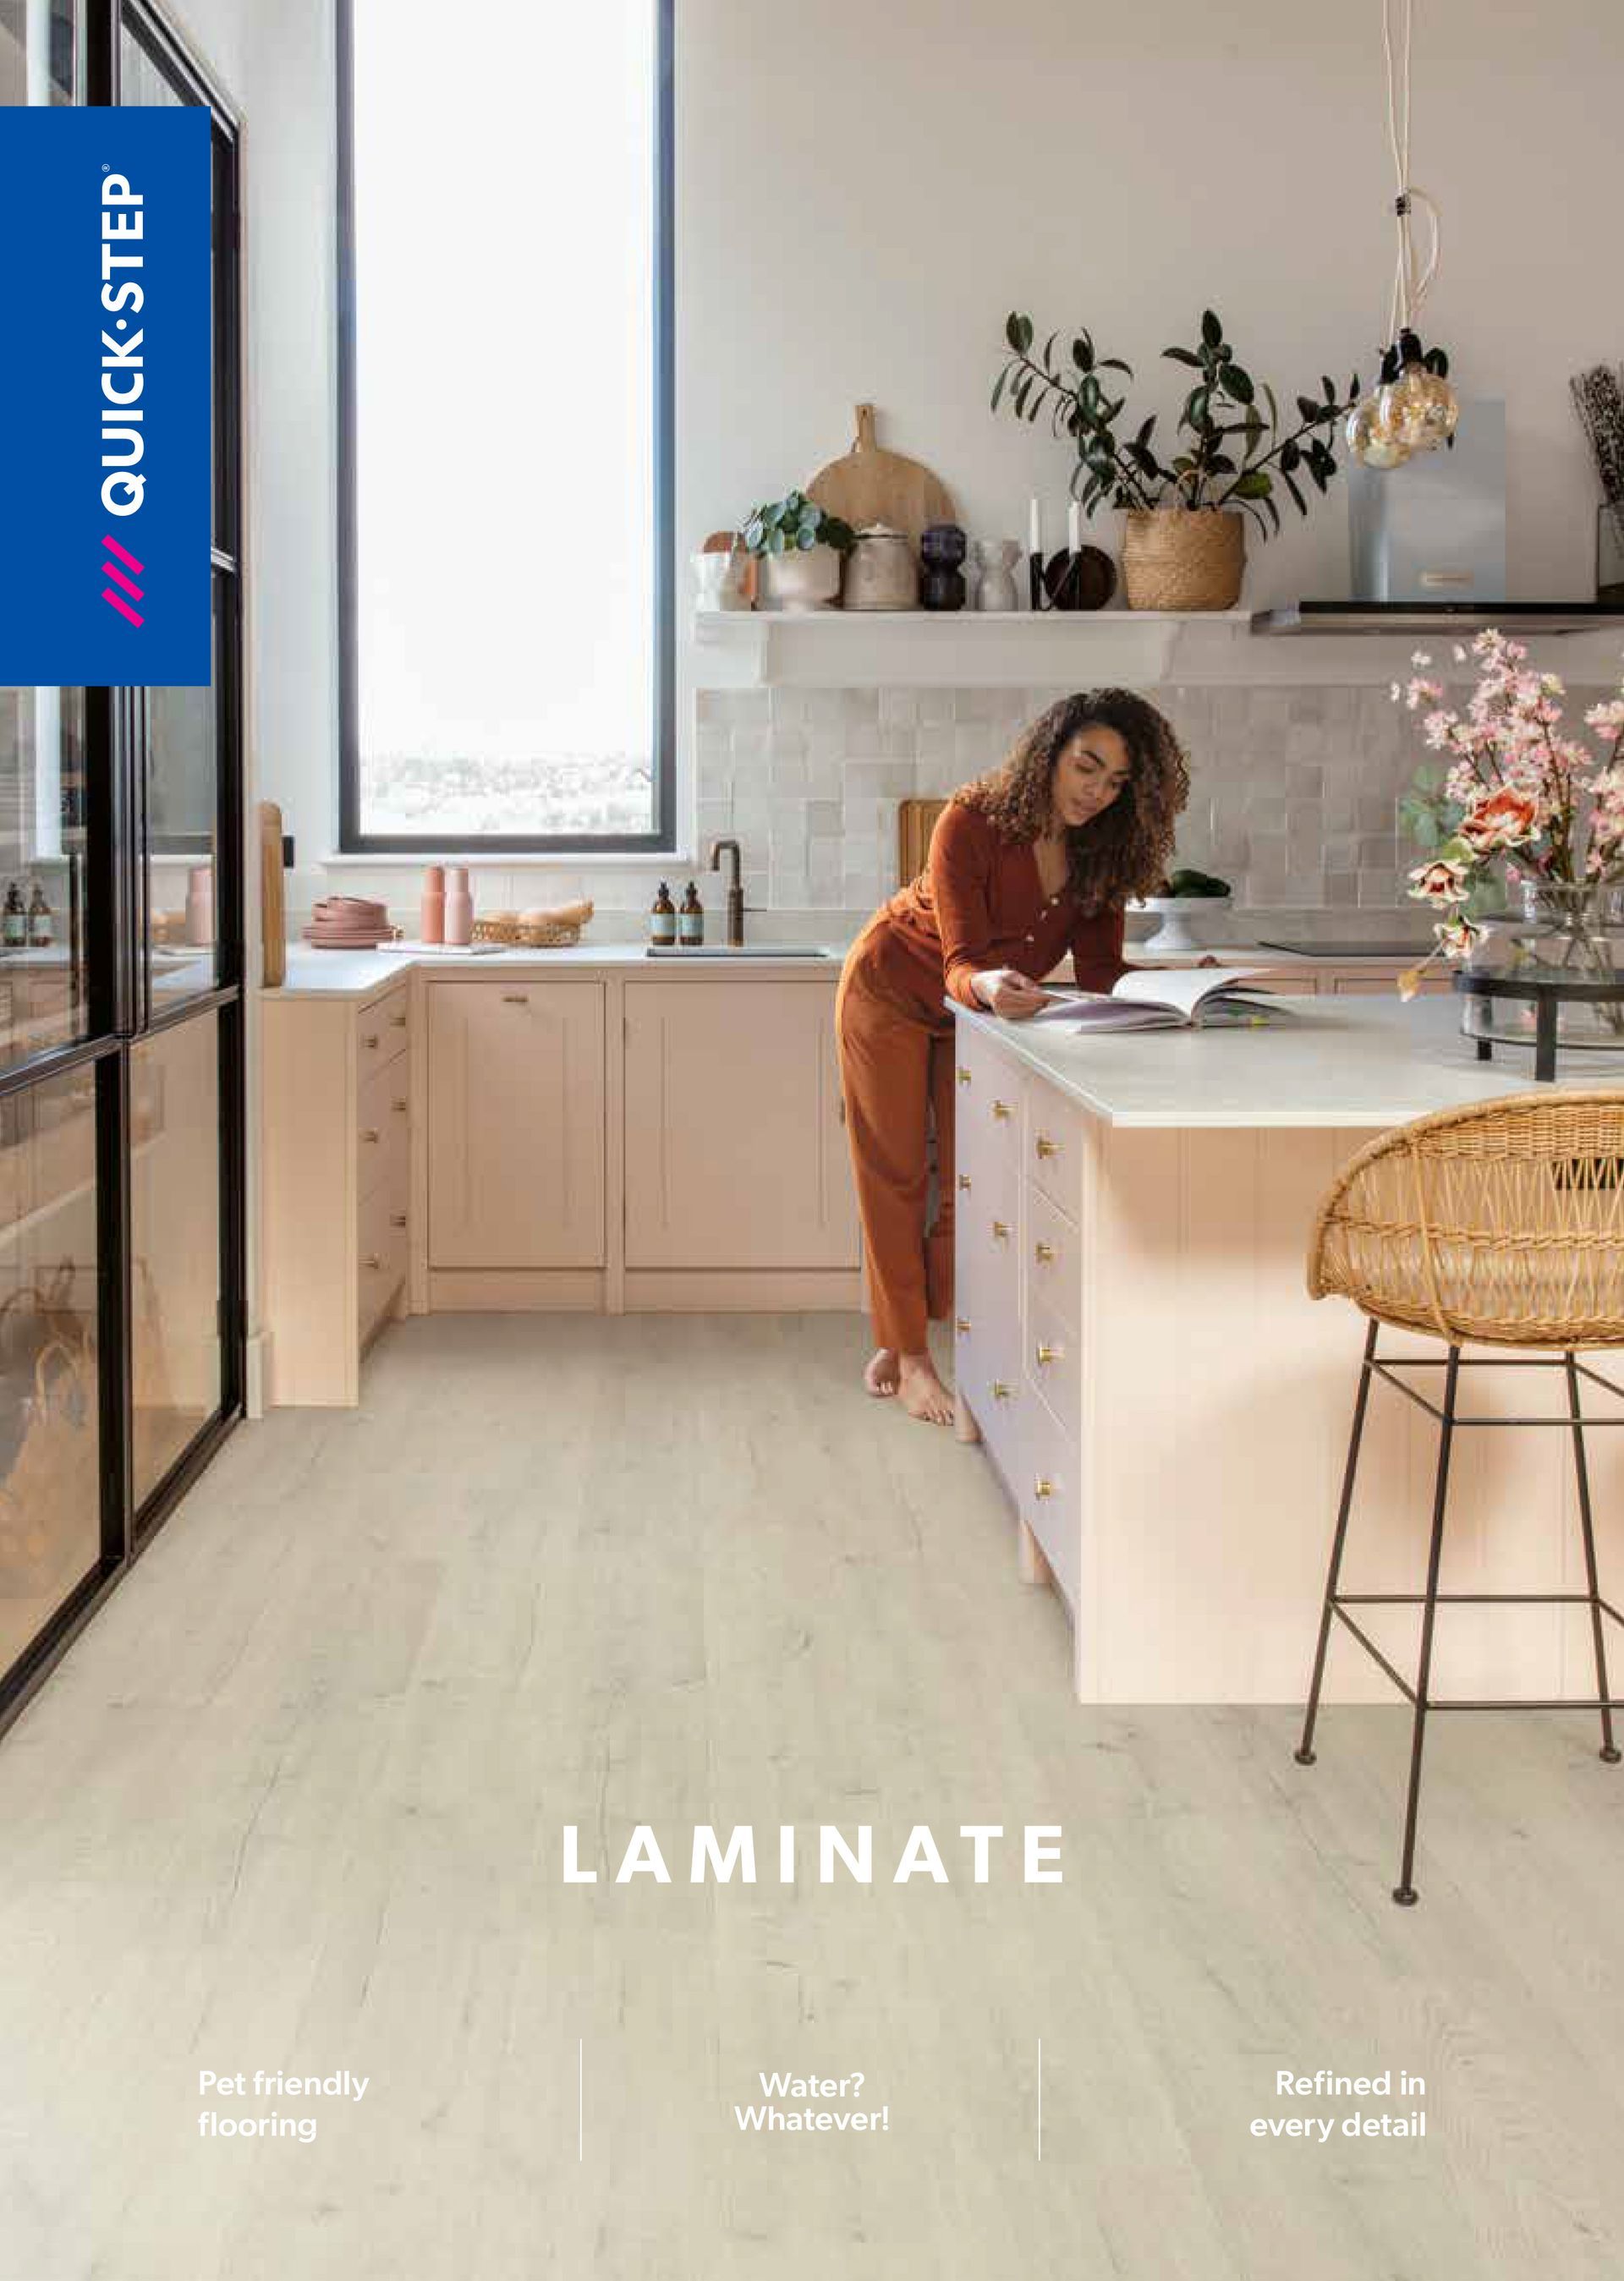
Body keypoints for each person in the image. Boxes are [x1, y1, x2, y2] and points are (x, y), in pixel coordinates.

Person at [834, 688, 1192, 1424]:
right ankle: (909, 1359)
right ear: (1049, 754)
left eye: (1117, 781)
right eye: (1086, 767)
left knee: (973, 1179)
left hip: (977, 1018)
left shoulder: (1102, 850)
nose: (1096, 792)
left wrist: (1189, 985)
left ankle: (903, 1331)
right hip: (893, 991)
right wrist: (991, 984)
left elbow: (1101, 973)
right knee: (897, 1173)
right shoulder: (971, 821)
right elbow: (962, 963)